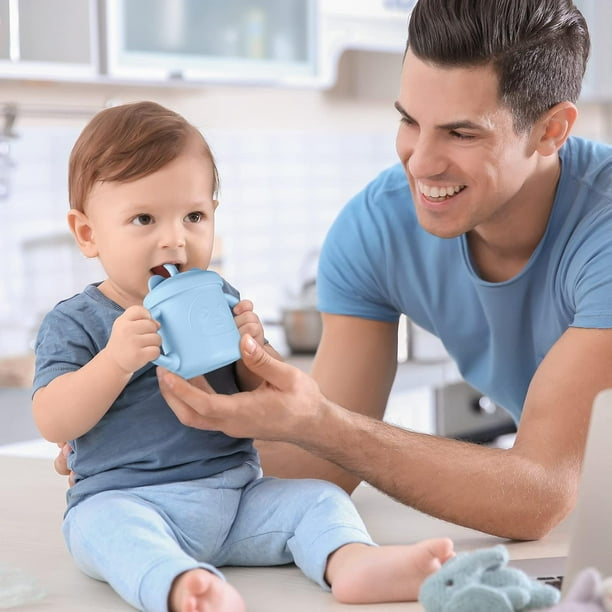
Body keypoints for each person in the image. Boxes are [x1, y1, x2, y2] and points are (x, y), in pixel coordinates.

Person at [151, 0, 612, 543]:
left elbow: (537, 495)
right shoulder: (375, 229)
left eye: (461, 134)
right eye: (410, 121)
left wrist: (319, 421)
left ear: (551, 131)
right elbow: (325, 463)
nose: (420, 162)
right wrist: (143, 454)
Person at [33, 101, 453, 612]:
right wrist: (114, 362)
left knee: (319, 498)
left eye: (194, 216)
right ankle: (183, 585)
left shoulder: (215, 298)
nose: (175, 239)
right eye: (143, 218)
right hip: (130, 500)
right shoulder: (77, 321)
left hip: (237, 497)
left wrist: (255, 353)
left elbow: (268, 403)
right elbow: (52, 416)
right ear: (88, 233)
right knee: (106, 530)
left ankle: (353, 564)